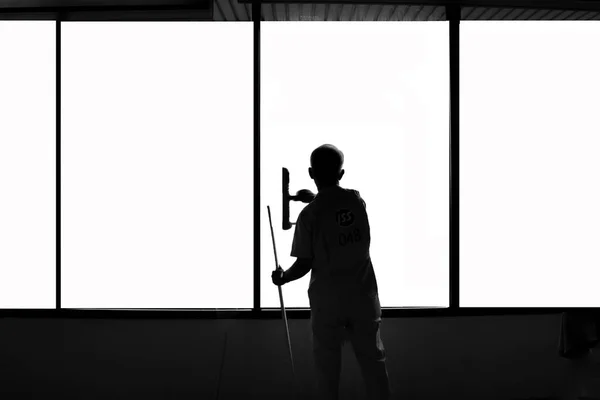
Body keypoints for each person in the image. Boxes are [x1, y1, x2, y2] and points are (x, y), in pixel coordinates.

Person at [272, 144, 391, 400]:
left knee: (327, 370)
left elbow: (303, 264)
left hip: (328, 301)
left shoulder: (309, 215)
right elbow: (338, 212)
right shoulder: (357, 201)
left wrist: (283, 277)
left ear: (310, 173)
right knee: (374, 365)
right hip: (363, 296)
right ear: (342, 172)